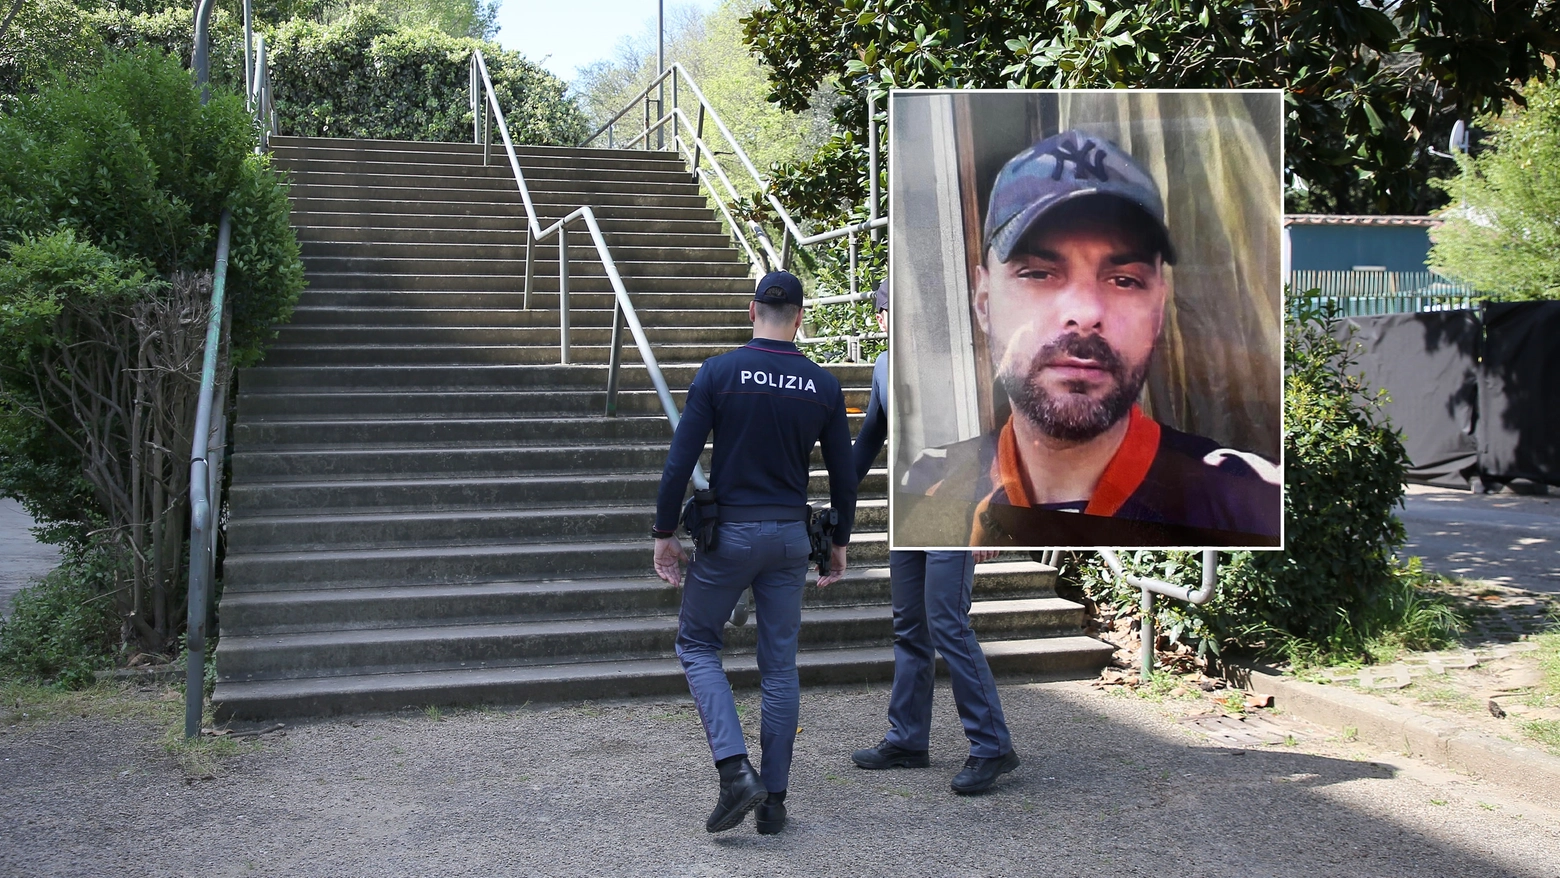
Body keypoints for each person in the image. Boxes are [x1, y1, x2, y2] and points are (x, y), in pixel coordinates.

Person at [902, 130, 1281, 546]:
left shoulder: (1252, 502)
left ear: (1158, 310)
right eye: (1039, 273)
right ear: (984, 301)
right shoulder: (928, 485)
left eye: (1124, 280)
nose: (1084, 315)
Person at [652, 270, 858, 835]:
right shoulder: (823, 384)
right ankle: (774, 801)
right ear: (799, 316)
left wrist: (663, 533)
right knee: (779, 667)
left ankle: (734, 769)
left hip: (730, 536)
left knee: (697, 642)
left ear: (751, 311)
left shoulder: (720, 372)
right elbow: (844, 478)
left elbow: (679, 464)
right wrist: (838, 543)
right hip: (791, 538)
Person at [849, 281, 1020, 794]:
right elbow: (868, 442)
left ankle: (992, 745)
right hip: (909, 514)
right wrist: (839, 494)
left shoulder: (959, 364)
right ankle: (907, 740)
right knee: (910, 627)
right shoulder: (883, 368)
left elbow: (1000, 439)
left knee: (948, 623)